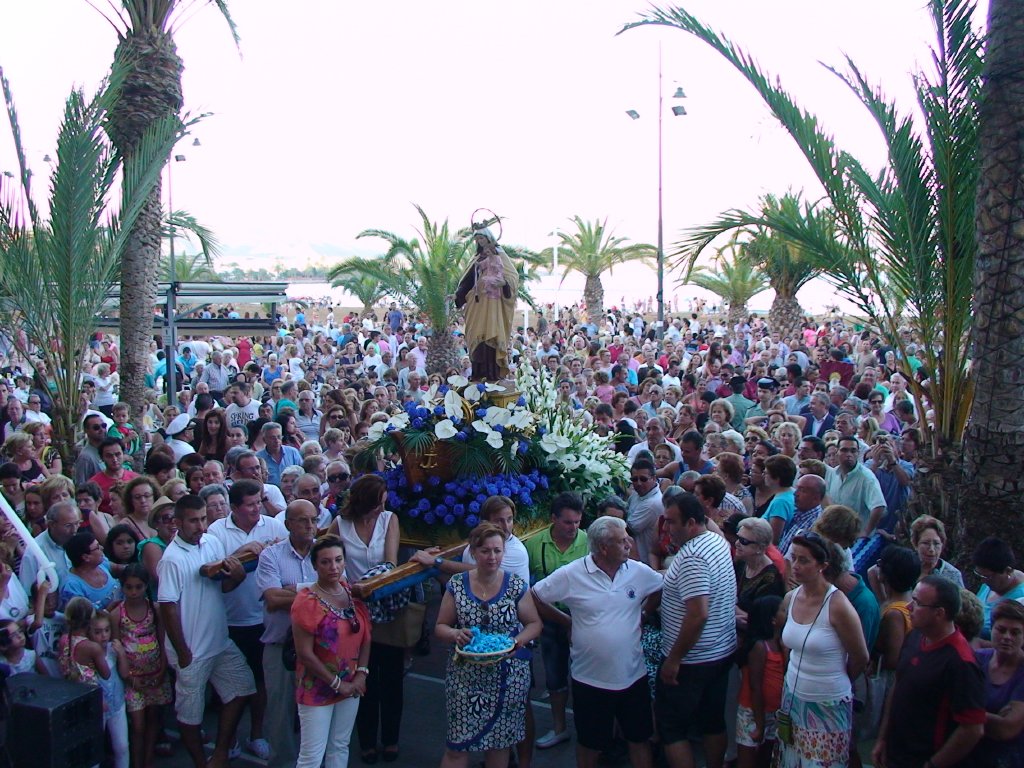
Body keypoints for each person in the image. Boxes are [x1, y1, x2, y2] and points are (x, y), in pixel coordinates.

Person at [532, 516, 663, 768]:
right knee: (590, 744)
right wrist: (566, 621)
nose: (629, 543)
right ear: (603, 547)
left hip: (633, 677)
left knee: (639, 739)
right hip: (589, 681)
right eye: (622, 540)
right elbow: (536, 595)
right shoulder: (572, 574)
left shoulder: (638, 571)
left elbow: (659, 586)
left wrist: (645, 613)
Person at [157, 494, 256, 768]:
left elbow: (221, 587)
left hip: (220, 643)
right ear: (177, 523)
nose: (200, 525)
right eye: (193, 521)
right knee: (190, 716)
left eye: (202, 519)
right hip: (192, 652)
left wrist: (236, 576)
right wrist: (183, 652)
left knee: (242, 688)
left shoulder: (212, 542)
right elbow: (167, 608)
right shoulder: (171, 559)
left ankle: (221, 754)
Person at [435, 523, 541, 768]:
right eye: (485, 551)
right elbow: (440, 626)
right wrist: (455, 634)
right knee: (457, 745)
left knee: (499, 746)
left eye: (497, 551)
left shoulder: (515, 585)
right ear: (473, 552)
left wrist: (517, 641)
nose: (492, 557)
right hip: (465, 678)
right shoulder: (457, 584)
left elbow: (534, 623)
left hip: (508, 677)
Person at [207, 478, 289, 761]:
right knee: (228, 688)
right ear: (234, 508)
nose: (257, 509)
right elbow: (214, 570)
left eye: (259, 502)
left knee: (261, 682)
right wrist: (243, 553)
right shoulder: (216, 531)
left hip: (263, 620)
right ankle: (228, 740)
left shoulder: (274, 526)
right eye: (250, 504)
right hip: (229, 620)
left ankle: (257, 734)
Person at [656, 491, 738, 768]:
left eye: (671, 522)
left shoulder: (692, 557)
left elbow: (697, 614)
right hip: (720, 651)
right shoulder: (716, 541)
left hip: (693, 659)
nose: (666, 528)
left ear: (691, 523)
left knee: (671, 728)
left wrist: (674, 659)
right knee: (711, 721)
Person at [873, 575, 986, 768]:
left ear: (939, 613)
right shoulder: (915, 636)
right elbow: (899, 686)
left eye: (917, 603)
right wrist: (883, 738)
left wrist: (933, 764)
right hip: (896, 754)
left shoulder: (961, 662)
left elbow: (973, 729)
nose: (908, 607)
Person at [777, 532, 869, 768]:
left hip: (827, 703)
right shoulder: (791, 598)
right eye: (793, 558)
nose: (795, 566)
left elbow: (860, 656)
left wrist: (836, 679)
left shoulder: (838, 606)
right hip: (794, 696)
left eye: (804, 560)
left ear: (822, 566)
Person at [327, 475, 403, 763]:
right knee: (361, 675)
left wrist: (370, 586)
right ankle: (367, 739)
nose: (380, 510)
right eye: (376, 505)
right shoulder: (340, 524)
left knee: (392, 678)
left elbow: (391, 564)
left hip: (386, 608)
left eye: (383, 504)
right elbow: (332, 561)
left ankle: (392, 738)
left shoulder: (389, 520)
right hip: (353, 610)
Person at [291, 534, 372, 768]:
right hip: (317, 688)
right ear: (314, 565)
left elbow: (366, 636)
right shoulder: (306, 601)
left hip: (352, 683)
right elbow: (305, 653)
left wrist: (361, 674)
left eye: (338, 560)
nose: (333, 567)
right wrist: (338, 684)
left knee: (339, 746)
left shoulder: (351, 593)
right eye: (325, 562)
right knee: (311, 756)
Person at [256, 499, 320, 768]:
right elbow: (272, 599)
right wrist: (314, 591)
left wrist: (292, 589)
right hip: (280, 646)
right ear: (287, 524)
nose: (310, 525)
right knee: (281, 714)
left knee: (315, 714)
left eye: (314, 520)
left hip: (319, 648)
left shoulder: (324, 553)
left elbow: (338, 592)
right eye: (303, 520)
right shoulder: (271, 555)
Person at [524, 492, 589, 749]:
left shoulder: (589, 542)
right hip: (550, 620)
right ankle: (559, 727)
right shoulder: (534, 544)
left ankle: (587, 729)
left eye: (577, 522)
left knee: (586, 676)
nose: (573, 528)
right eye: (567, 523)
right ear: (553, 519)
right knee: (554, 675)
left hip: (583, 618)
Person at [113, 563, 173, 768]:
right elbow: (116, 647)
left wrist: (163, 668)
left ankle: (147, 762)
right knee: (138, 726)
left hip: (156, 675)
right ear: (122, 587)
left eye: (138, 587)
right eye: (129, 587)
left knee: (153, 721)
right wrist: (129, 677)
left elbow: (163, 638)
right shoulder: (117, 615)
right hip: (132, 680)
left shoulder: (154, 609)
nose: (133, 592)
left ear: (146, 586)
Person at [60, 598, 130, 768]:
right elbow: (106, 674)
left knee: (92, 750)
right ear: (88, 624)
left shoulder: (65, 640)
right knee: (101, 749)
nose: (104, 635)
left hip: (84, 702)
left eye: (106, 630)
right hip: (97, 703)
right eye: (98, 631)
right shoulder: (93, 648)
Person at [454, 226, 519, 381]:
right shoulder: (477, 258)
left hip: (493, 306)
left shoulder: (500, 254)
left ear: (489, 238)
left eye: (482, 238)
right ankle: (477, 373)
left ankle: (492, 373)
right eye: (477, 239)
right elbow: (468, 280)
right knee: (475, 336)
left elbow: (513, 276)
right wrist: (458, 295)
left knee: (491, 337)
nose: (479, 242)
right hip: (477, 305)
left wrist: (504, 283)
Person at [970, 599, 1024, 767]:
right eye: (1001, 630)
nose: (1007, 637)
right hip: (968, 754)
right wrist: (992, 717)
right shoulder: (977, 659)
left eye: (1015, 632)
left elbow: (1005, 729)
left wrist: (965, 712)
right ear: (991, 629)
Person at [735, 595, 784, 768]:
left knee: (766, 757)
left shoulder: (781, 643)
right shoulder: (759, 647)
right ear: (772, 620)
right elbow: (755, 687)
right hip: (753, 712)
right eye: (783, 610)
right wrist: (760, 723)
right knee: (748, 757)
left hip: (774, 712)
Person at [973, 536, 1024, 642]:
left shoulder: (1021, 598)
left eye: (987, 577)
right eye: (979, 575)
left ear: (1008, 571)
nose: (983, 581)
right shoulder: (989, 583)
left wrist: (980, 644)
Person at [60, 531, 122, 610]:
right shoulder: (72, 586)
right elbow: (82, 617)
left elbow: (118, 568)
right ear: (86, 557)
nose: (102, 548)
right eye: (97, 547)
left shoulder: (101, 563)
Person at [909, 514, 964, 587]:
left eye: (936, 544)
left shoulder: (952, 574)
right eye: (925, 543)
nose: (931, 549)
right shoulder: (905, 568)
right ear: (916, 544)